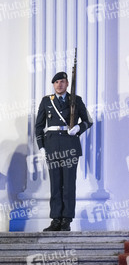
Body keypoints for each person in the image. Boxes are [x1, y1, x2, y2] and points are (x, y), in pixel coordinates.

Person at [35, 72, 93, 231]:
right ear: (53, 85)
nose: (59, 85)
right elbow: (39, 125)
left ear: (67, 84)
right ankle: (55, 220)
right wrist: (41, 146)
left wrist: (79, 128)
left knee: (68, 184)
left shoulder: (76, 100)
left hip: (70, 145)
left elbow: (89, 121)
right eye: (56, 82)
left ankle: (66, 219)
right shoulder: (47, 101)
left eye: (62, 82)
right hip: (52, 145)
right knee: (55, 183)